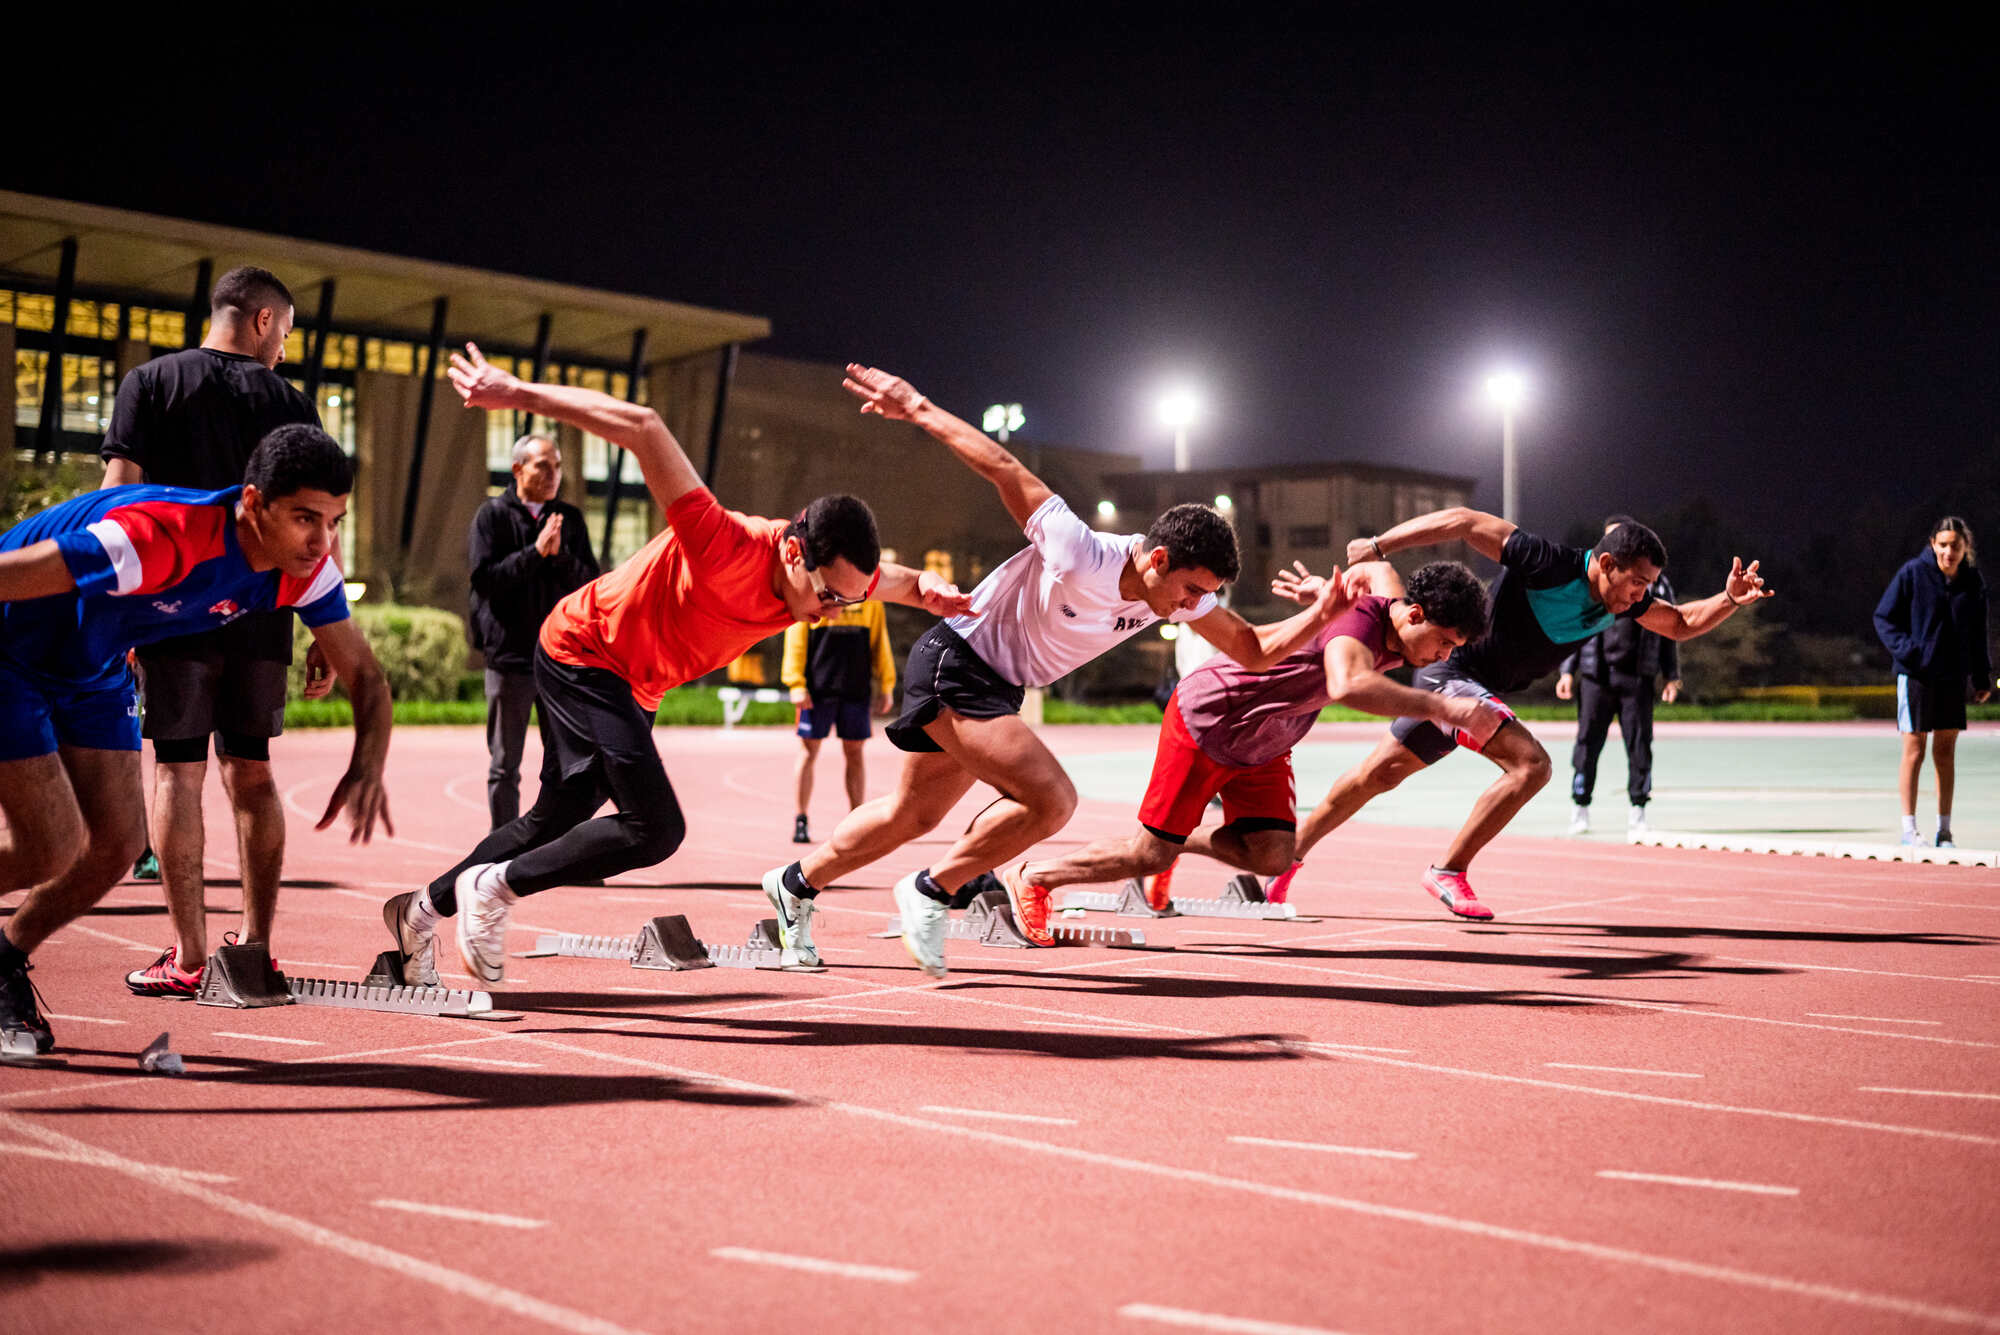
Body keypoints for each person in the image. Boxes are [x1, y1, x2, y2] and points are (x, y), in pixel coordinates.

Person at [382, 345, 972, 987]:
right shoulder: (723, 540)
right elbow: (642, 425)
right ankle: (492, 888)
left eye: (848, 601)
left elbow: (894, 583)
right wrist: (518, 393)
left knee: (557, 816)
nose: (832, 611)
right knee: (656, 828)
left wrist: (929, 590)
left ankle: (419, 911)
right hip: (586, 649)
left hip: (635, 682)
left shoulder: (832, 576)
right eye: (829, 596)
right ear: (793, 552)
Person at [761, 365, 1348, 979]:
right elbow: (1004, 468)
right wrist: (917, 407)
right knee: (1052, 800)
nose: (1193, 605)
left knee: (912, 814)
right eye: (1190, 590)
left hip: (996, 683)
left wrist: (1323, 614)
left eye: (1204, 596)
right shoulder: (1080, 551)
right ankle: (932, 889)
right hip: (958, 660)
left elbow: (1252, 649)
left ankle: (795, 883)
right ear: (1158, 559)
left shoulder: (1177, 596)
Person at [0, 426, 393, 1055]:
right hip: (11, 652)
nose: (322, 541)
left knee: (117, 845)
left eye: (333, 521)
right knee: (50, 843)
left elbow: (366, 675)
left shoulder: (302, 570)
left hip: (92, 668)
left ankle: (3, 959)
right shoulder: (159, 538)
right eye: (304, 518)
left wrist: (368, 762)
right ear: (253, 503)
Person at [1268, 507, 1769, 921]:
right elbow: (1465, 521)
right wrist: (1379, 546)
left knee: (1376, 775)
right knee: (1531, 765)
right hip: (1453, 670)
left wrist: (1729, 599)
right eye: (1637, 583)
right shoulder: (1548, 562)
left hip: (1477, 688)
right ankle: (1448, 871)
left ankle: (1280, 864)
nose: (1642, 595)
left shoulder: (1622, 603)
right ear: (1607, 563)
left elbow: (1679, 623)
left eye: (1648, 586)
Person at [97, 266, 330, 994]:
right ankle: (255, 949)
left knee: (178, 769)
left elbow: (117, 501)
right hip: (262, 607)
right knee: (253, 768)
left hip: (173, 609)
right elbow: (316, 520)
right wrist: (326, 627)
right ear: (261, 319)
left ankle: (191, 957)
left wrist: (112, 612)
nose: (283, 349)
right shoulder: (291, 402)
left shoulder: (151, 383)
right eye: (284, 331)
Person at [1012, 560, 1496, 908]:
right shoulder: (1357, 625)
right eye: (1444, 643)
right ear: (1415, 615)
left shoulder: (1392, 597)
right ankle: (1034, 877)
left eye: (1453, 649)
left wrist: (1325, 591)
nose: (1443, 657)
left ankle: (1178, 840)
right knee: (1149, 853)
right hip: (1212, 716)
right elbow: (1348, 684)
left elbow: (1374, 563)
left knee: (1272, 854)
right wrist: (1444, 707)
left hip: (1266, 737)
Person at [468, 434, 599, 829]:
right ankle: (501, 850)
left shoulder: (569, 519)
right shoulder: (491, 516)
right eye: (543, 465)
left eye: (557, 466)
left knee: (566, 764)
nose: (553, 474)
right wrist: (535, 552)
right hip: (510, 659)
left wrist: (558, 557)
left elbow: (589, 584)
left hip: (560, 661)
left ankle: (559, 847)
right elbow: (485, 582)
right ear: (517, 469)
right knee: (504, 765)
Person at [1557, 515, 1682, 837]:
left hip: (1636, 678)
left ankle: (1638, 810)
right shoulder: (1590, 582)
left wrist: (1671, 674)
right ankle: (1580, 806)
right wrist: (1567, 670)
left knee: (1639, 744)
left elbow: (1671, 629)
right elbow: (1575, 626)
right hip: (1596, 677)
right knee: (1587, 743)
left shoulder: (1655, 584)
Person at [1874, 516, 1991, 848]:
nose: (1949, 552)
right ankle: (1909, 830)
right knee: (1914, 751)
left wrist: (1981, 676)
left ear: (1965, 548)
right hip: (1916, 676)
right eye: (1943, 545)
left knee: (1945, 752)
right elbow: (1883, 617)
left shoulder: (1972, 582)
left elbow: (1978, 632)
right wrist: (1911, 652)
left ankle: (1944, 831)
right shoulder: (1913, 573)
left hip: (1952, 677)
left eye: (1956, 546)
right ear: (1933, 545)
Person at [781, 597, 895, 843]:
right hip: (817, 690)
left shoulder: (871, 601)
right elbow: (795, 639)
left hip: (856, 689)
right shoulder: (815, 595)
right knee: (808, 751)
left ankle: (856, 821)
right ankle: (801, 819)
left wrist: (886, 684)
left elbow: (880, 643)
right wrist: (796, 683)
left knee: (855, 753)